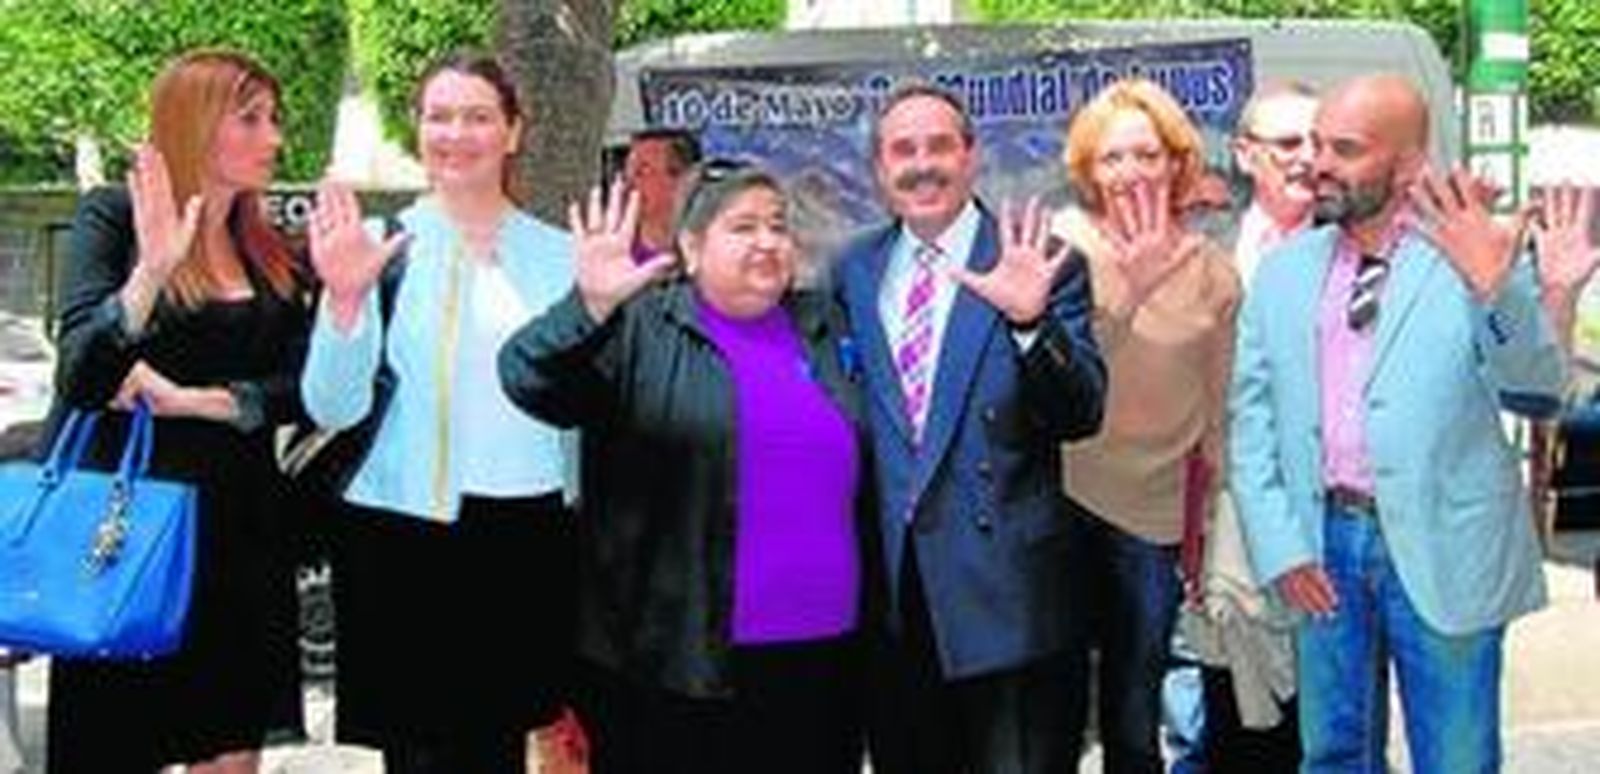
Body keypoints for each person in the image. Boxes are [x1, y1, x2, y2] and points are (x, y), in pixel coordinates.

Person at [1229, 73, 1566, 772]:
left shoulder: (1478, 252)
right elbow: (1251, 418)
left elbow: (1538, 391)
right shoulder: (1284, 272)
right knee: (1333, 755)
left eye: (1344, 148)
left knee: (1457, 758)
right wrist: (1280, 545)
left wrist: (1494, 289)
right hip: (1320, 550)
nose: (1316, 163)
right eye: (1317, 143)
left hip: (1450, 549)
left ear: (1408, 164)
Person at [498, 162, 874, 774]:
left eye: (778, 226)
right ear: (692, 249)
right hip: (675, 664)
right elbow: (528, 380)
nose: (767, 242)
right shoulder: (640, 328)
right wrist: (586, 306)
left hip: (824, 656)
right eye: (743, 226)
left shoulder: (826, 326)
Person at [300, 52, 577, 772]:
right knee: (417, 754)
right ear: (417, 129)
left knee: (499, 749)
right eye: (440, 116)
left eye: (479, 116)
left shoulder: (566, 255)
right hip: (404, 532)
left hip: (528, 532)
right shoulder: (380, 246)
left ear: (513, 131)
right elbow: (331, 404)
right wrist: (345, 301)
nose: (458, 133)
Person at [45, 49, 309, 772]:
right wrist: (150, 277)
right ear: (195, 124)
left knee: (230, 752)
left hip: (237, 536)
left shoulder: (271, 253)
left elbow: (302, 387)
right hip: (126, 531)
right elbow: (80, 374)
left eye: (274, 119)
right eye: (250, 118)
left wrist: (205, 402)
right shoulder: (114, 217)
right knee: (112, 742)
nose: (274, 137)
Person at [834, 82, 1107, 774]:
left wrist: (1028, 323)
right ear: (878, 167)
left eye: (939, 146)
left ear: (972, 156)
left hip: (1009, 604)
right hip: (895, 601)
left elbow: (1082, 412)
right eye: (903, 150)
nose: (922, 164)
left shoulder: (1039, 260)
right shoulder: (853, 272)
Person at [1049, 78, 1240, 774]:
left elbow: (1217, 413)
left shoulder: (1217, 273)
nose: (1130, 171)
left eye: (1146, 154)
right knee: (1055, 706)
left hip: (1154, 520)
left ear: (1175, 162)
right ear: (1088, 170)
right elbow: (1054, 375)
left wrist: (1211, 526)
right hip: (1059, 505)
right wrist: (1129, 289)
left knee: (1135, 713)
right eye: (1112, 158)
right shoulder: (1060, 248)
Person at [1183, 80, 1320, 773]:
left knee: (1327, 732)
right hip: (1227, 541)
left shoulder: (1353, 251)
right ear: (1245, 154)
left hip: (1328, 539)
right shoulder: (1206, 249)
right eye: (1287, 142)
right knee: (1239, 724)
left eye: (1317, 142)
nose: (1305, 158)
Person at [623, 127, 702, 263]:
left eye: (643, 170)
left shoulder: (709, 256)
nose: (630, 183)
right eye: (628, 171)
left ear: (681, 178)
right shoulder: (614, 258)